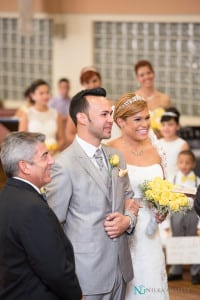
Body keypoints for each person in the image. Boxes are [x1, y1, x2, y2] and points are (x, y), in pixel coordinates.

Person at [46, 88, 140, 300]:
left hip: (120, 269)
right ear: (82, 118)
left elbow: (130, 199)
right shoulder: (63, 165)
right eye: (104, 114)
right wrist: (64, 278)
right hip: (86, 275)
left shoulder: (116, 156)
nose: (111, 120)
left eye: (111, 113)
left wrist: (128, 220)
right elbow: (52, 226)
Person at [0, 131, 82, 300]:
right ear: (24, 166)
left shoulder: (6, 195)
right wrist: (75, 295)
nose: (52, 161)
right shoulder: (32, 208)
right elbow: (54, 269)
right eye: (45, 156)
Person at [108, 93, 169, 300]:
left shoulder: (158, 150)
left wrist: (163, 210)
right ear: (120, 121)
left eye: (146, 118)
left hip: (151, 233)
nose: (145, 124)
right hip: (122, 232)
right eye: (137, 119)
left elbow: (165, 190)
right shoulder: (110, 151)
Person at [168, 150, 200, 284]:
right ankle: (176, 270)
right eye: (181, 162)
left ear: (193, 164)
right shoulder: (172, 178)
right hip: (176, 213)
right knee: (177, 241)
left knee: (194, 242)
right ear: (177, 163)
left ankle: (196, 271)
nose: (184, 165)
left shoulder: (198, 180)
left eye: (188, 162)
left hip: (193, 213)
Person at [19, 79, 66, 154]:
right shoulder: (27, 114)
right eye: (41, 93)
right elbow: (21, 140)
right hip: (33, 155)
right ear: (33, 96)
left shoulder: (56, 114)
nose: (45, 96)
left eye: (47, 92)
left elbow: (62, 139)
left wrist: (54, 150)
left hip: (53, 154)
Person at [134, 60, 170, 137]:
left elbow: (170, 122)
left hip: (162, 141)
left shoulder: (165, 99)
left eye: (148, 73)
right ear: (137, 78)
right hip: (141, 141)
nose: (146, 77)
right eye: (142, 75)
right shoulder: (134, 99)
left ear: (153, 73)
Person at [159, 107, 189, 180]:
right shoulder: (157, 143)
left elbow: (185, 167)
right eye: (163, 125)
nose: (166, 128)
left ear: (178, 126)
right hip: (159, 180)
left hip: (177, 181)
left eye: (170, 124)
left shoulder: (182, 144)